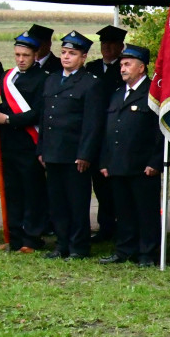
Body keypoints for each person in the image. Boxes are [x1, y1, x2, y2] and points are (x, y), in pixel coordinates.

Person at [38, 31, 107, 259]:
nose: (66, 57)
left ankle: (79, 247)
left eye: (72, 53)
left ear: (84, 57)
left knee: (77, 202)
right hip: (53, 151)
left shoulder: (90, 83)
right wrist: (42, 149)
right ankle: (62, 244)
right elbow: (44, 117)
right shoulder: (51, 79)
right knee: (57, 202)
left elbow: (92, 123)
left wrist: (85, 154)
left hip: (75, 153)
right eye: (64, 52)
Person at [97, 44, 163, 266]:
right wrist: (106, 161)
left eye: (128, 64)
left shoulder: (153, 93)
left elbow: (160, 131)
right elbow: (109, 130)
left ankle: (147, 254)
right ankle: (125, 250)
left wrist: (155, 161)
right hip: (118, 163)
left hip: (142, 165)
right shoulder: (117, 94)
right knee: (123, 211)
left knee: (146, 212)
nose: (122, 68)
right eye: (122, 64)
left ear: (141, 67)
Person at [0, 30, 49, 252]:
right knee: (12, 192)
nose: (20, 59)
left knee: (32, 192)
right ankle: (13, 237)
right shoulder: (8, 77)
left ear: (35, 54)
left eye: (25, 55)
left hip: (29, 143)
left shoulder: (43, 78)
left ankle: (32, 239)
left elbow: (37, 113)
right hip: (8, 144)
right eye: (17, 55)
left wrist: (8, 119)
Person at [85, 25, 128, 244]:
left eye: (112, 44)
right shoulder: (91, 68)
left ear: (121, 47)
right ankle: (105, 225)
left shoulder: (124, 69)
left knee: (116, 184)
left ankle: (122, 225)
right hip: (96, 133)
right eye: (104, 44)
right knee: (99, 184)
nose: (108, 48)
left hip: (116, 132)